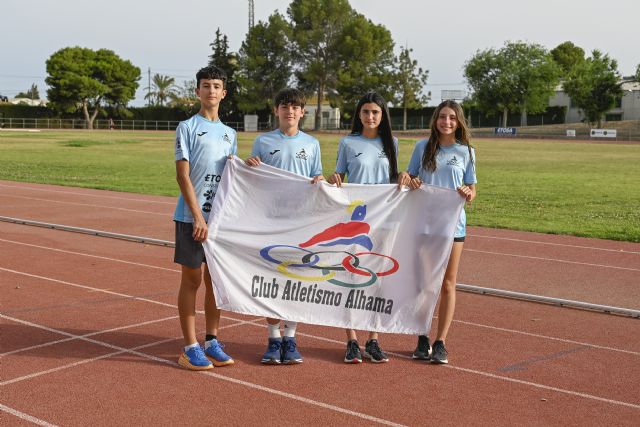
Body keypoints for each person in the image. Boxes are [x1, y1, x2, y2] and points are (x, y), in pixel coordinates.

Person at [245, 88, 324, 364]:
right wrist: (249, 165)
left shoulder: (312, 144)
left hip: (300, 222)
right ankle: (273, 337)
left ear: (302, 112)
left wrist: (320, 181)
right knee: (271, 280)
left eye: (295, 107)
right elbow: (250, 178)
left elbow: (317, 178)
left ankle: (290, 337)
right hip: (272, 222)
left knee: (295, 280)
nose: (289, 111)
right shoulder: (263, 141)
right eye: (284, 106)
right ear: (276, 111)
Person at [398, 100, 476, 365]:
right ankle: (422, 335)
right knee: (422, 284)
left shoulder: (466, 151)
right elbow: (406, 178)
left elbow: (472, 190)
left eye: (452, 118)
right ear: (435, 120)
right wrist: (411, 179)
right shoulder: (422, 147)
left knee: (448, 284)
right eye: (442, 117)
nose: (447, 122)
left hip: (453, 226)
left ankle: (440, 342)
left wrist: (468, 192)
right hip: (424, 224)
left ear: (459, 122)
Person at [327, 92, 398, 364]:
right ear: (359, 114)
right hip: (356, 222)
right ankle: (352, 340)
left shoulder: (391, 143)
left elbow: (393, 180)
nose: (370, 117)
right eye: (366, 112)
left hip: (383, 220)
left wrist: (402, 176)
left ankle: (374, 339)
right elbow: (340, 177)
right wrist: (335, 179)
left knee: (378, 279)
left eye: (376, 113)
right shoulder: (348, 143)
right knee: (352, 278)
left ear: (382, 116)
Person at [173, 65, 237, 370]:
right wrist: (197, 216)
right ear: (197, 91)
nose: (211, 90)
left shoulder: (230, 134)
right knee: (193, 279)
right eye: (205, 85)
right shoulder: (186, 127)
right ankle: (190, 346)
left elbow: (232, 177)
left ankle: (212, 340)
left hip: (219, 220)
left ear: (223, 93)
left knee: (216, 282)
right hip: (191, 218)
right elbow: (182, 176)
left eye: (216, 86)